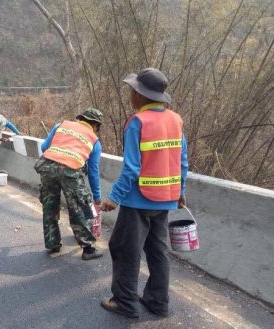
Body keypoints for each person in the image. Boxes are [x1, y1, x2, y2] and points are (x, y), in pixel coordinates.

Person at [100, 68, 188, 319]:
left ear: (139, 95)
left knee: (124, 249)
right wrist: (180, 191)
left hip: (139, 200)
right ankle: (157, 302)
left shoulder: (137, 121)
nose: (131, 94)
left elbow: (131, 167)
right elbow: (183, 161)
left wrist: (114, 197)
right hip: (166, 200)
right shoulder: (176, 120)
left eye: (132, 90)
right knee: (158, 252)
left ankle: (125, 303)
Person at [34, 108, 104, 260]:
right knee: (78, 208)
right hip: (71, 171)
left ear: (80, 119)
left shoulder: (61, 125)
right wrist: (97, 197)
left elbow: (44, 147)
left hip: (47, 166)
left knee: (50, 206)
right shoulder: (94, 141)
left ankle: (53, 243)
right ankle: (88, 250)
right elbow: (93, 171)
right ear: (95, 125)